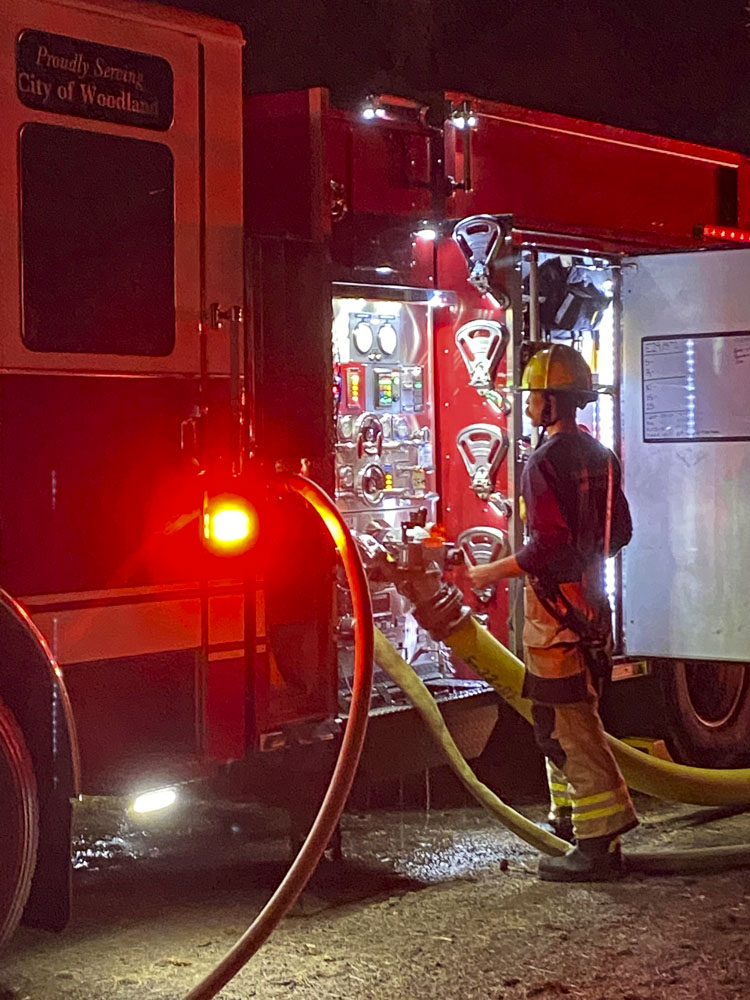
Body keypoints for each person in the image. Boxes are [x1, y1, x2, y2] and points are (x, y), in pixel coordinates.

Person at [467, 343, 637, 881]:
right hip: (591, 604)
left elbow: (545, 547)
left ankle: (600, 842)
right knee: (553, 721)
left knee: (570, 727)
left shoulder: (542, 463)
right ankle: (570, 819)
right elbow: (621, 532)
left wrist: (486, 573)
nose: (528, 404)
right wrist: (586, 569)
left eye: (535, 395)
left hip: (555, 614)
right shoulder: (601, 455)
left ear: (553, 402)